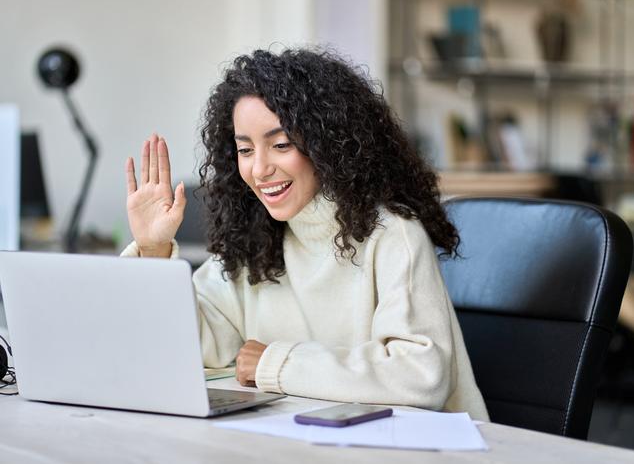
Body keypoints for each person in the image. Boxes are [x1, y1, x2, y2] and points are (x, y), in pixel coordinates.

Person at [122, 48, 489, 420]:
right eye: (245, 149)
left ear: (329, 144)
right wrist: (153, 251)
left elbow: (420, 376)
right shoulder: (253, 239)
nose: (260, 168)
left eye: (281, 145)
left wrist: (276, 364)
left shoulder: (393, 234)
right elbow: (189, 345)